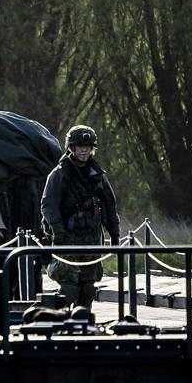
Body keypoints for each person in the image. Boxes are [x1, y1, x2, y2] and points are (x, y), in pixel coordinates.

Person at [41, 124, 120, 310]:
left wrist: (114, 234)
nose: (84, 150)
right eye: (79, 146)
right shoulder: (59, 175)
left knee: (88, 286)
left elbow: (109, 204)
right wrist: (57, 231)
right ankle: (60, 320)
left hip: (92, 238)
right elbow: (48, 205)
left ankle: (84, 323)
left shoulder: (98, 176)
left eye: (87, 146)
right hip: (68, 237)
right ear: (71, 148)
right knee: (69, 286)